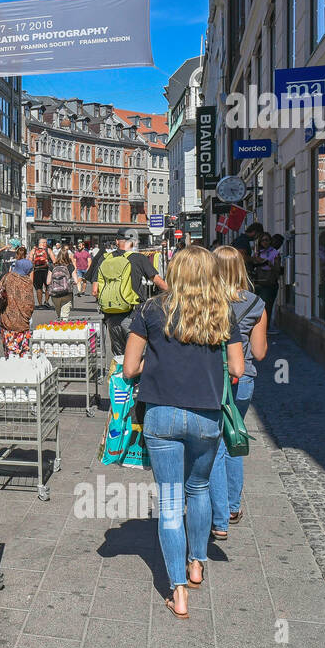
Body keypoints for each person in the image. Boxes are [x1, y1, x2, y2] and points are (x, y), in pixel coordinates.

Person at [122, 245, 245, 620]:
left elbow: (129, 370)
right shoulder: (223, 311)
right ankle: (196, 563)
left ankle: (178, 591)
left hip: (161, 414)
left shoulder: (150, 311)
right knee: (200, 489)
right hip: (207, 416)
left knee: (171, 501)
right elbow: (237, 368)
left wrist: (153, 362)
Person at [209, 245, 268, 540]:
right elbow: (259, 352)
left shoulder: (206, 301)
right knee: (234, 438)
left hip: (211, 380)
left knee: (216, 444)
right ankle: (232, 507)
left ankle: (219, 515)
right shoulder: (256, 303)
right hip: (242, 381)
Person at [88, 230, 169, 370]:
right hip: (134, 315)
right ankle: (136, 389)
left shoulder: (104, 258)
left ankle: (121, 389)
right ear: (133, 243)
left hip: (111, 315)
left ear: (117, 242)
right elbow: (158, 281)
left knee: (119, 358)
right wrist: (173, 293)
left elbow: (94, 291)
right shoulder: (139, 258)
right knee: (137, 358)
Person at [0, 251, 35, 356]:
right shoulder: (27, 282)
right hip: (23, 321)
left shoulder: (7, 277)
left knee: (10, 350)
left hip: (7, 319)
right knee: (23, 349)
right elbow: (30, 303)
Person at [48, 245, 76, 320]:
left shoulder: (52, 266)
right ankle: (63, 328)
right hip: (66, 293)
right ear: (67, 257)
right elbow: (76, 281)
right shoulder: (70, 266)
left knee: (59, 316)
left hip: (55, 294)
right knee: (65, 315)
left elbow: (48, 282)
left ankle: (59, 327)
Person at [30, 238, 51, 307]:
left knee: (40, 288)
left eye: (46, 242)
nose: (46, 244)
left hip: (37, 270)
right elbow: (55, 261)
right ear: (40, 243)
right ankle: (46, 302)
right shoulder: (48, 250)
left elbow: (30, 261)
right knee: (46, 287)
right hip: (46, 270)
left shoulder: (33, 250)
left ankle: (40, 304)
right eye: (44, 242)